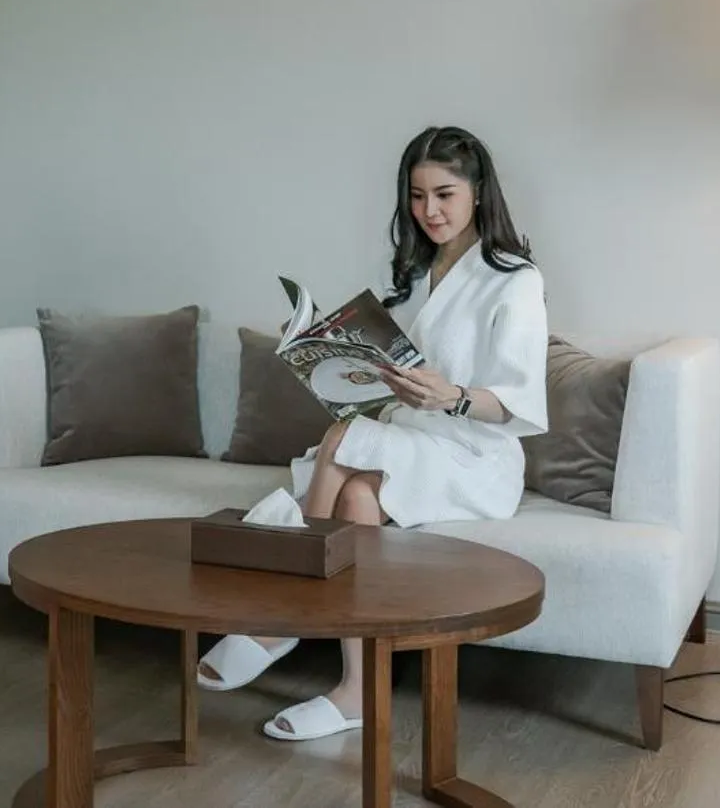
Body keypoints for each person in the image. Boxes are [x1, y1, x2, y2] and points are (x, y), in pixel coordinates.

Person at [196, 125, 549, 741]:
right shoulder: (413, 272)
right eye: (417, 196)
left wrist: (453, 396)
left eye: (444, 194)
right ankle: (359, 691)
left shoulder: (514, 279)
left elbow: (517, 404)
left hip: (474, 455)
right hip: (408, 438)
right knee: (357, 496)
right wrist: (331, 357)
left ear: (478, 192)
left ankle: (285, 616)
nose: (429, 211)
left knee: (342, 436)